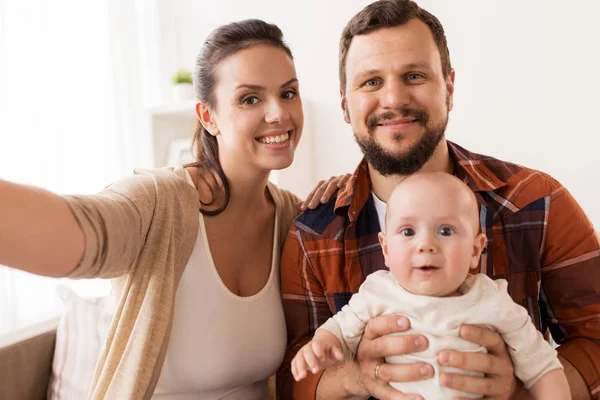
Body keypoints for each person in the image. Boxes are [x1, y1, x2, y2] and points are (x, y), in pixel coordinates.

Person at [0, 19, 347, 399]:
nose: (278, 113)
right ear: (208, 116)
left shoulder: (290, 218)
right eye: (250, 98)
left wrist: (352, 191)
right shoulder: (160, 203)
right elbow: (82, 230)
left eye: (288, 93)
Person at [278, 1, 600, 399]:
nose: (393, 99)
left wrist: (518, 390)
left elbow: (597, 338)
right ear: (345, 105)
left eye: (414, 75)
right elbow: (290, 375)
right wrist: (355, 378)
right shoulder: (314, 233)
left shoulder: (539, 202)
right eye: (371, 82)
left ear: (448, 88)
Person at [290, 172, 570, 400]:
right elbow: (339, 329)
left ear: (476, 249)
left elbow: (542, 367)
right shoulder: (377, 293)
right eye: (408, 232)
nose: (426, 245)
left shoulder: (492, 299)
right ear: (385, 248)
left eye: (445, 231)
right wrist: (323, 344)